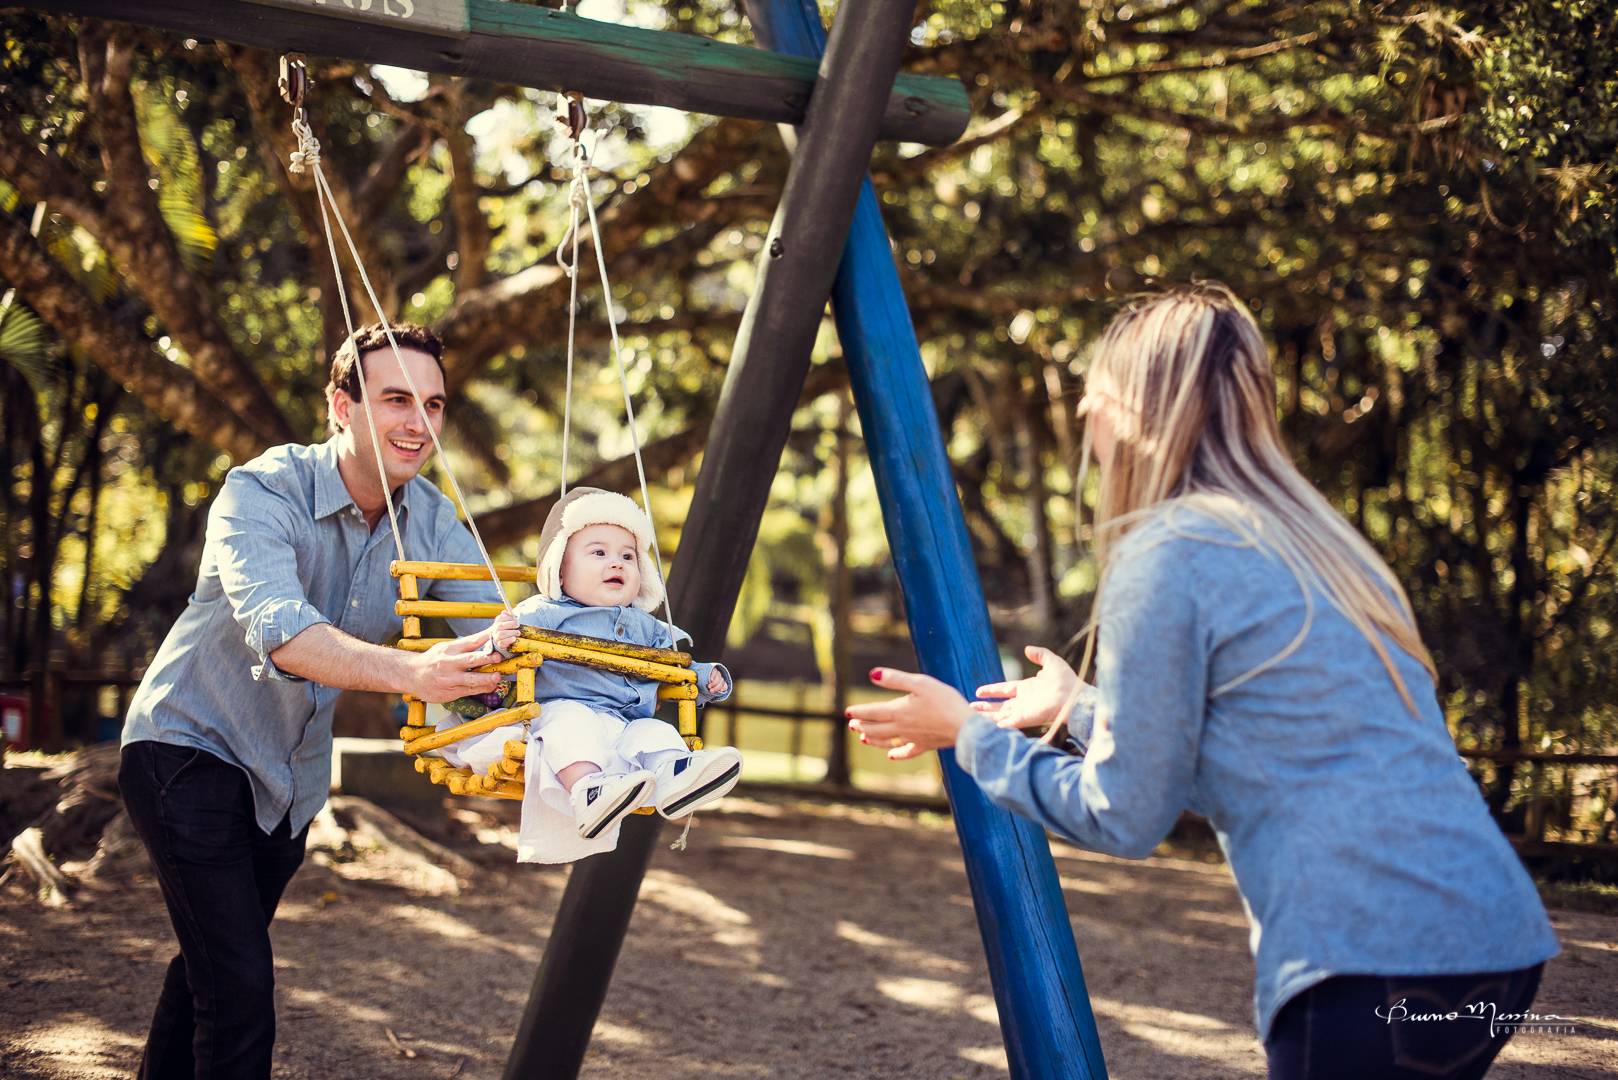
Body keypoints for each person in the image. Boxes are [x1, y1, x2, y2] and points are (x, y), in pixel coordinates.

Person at [845, 285, 1558, 1080]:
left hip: (1368, 958)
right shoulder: (1321, 544)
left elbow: (1123, 817)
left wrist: (966, 734)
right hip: (1494, 941)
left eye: (1099, 396)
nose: (1083, 416)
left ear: (1144, 409)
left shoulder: (1168, 553)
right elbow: (1277, 736)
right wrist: (1077, 707)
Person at [118, 323, 509, 1080]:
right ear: (341, 404)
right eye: (397, 399)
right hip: (185, 750)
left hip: (290, 785)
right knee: (239, 989)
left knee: (210, 972)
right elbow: (284, 633)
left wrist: (605, 639)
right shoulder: (262, 490)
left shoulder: (429, 518)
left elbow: (499, 629)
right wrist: (414, 673)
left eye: (433, 403)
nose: (418, 422)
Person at [434, 486, 741, 863]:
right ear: (560, 569)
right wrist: (497, 644)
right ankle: (589, 791)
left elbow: (676, 668)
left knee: (657, 731)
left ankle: (676, 776)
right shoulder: (543, 612)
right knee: (573, 721)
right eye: (598, 552)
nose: (616, 563)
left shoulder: (650, 627)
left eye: (628, 556)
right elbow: (496, 656)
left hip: (623, 725)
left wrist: (705, 676)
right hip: (557, 715)